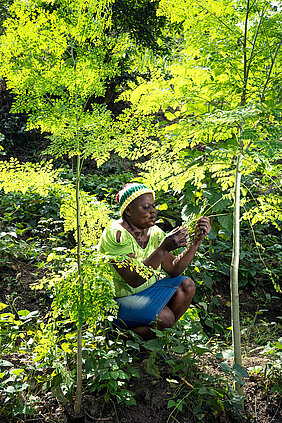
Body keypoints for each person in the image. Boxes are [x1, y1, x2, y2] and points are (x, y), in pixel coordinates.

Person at [98, 183, 211, 340]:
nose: (153, 212)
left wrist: (196, 241)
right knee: (165, 318)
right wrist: (163, 248)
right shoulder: (115, 235)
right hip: (117, 302)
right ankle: (118, 336)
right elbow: (134, 280)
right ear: (128, 211)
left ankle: (151, 336)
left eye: (153, 206)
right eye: (145, 207)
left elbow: (173, 270)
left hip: (145, 295)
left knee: (187, 286)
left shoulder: (155, 233)